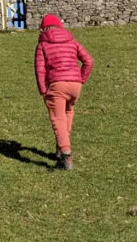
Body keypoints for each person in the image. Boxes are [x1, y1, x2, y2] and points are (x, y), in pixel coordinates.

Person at [34, 13, 93, 170]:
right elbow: (88, 61)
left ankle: (66, 155)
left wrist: (43, 90)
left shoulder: (43, 44)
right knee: (68, 113)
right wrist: (81, 79)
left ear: (43, 28)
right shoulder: (72, 40)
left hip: (56, 84)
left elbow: (40, 70)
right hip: (75, 85)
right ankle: (61, 148)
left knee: (58, 118)